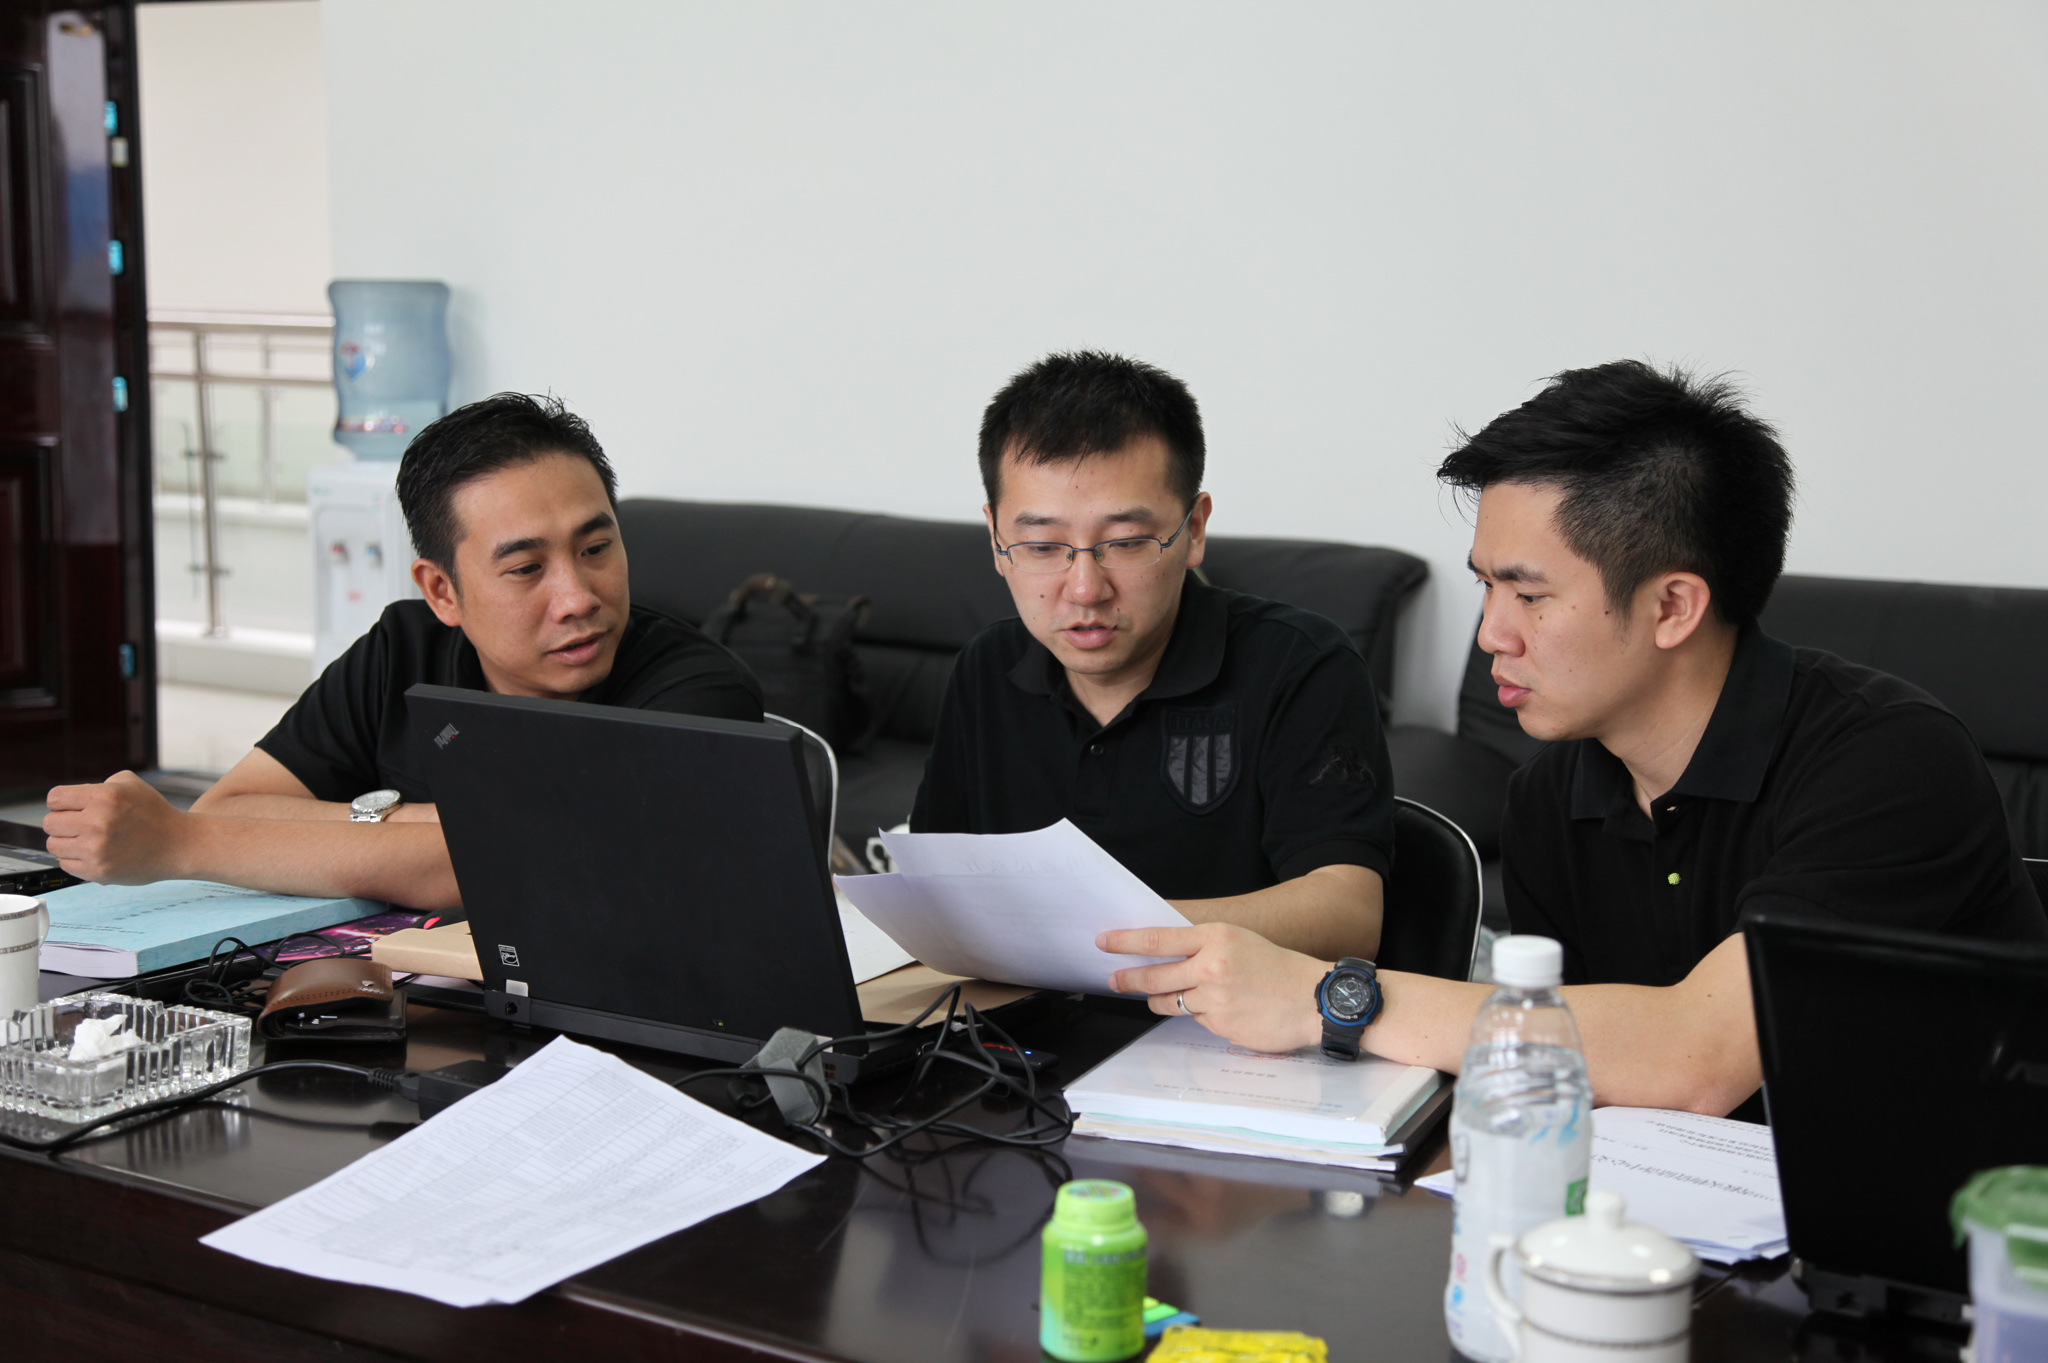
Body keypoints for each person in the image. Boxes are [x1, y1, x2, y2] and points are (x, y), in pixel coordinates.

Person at [1100, 359, 2048, 1116]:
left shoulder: (1888, 763)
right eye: (1485, 585)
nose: (1490, 634)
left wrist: (1325, 997)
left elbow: (1696, 1058)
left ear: (1673, 606)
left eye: (1529, 594)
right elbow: (1574, 1058)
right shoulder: (1553, 799)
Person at [43, 393, 762, 908]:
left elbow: (527, 862)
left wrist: (177, 845)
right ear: (442, 590)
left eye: (596, 547)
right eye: (526, 568)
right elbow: (234, 806)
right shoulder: (402, 652)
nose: (577, 596)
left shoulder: (695, 688)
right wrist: (417, 823)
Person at [912, 351, 1395, 960]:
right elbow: (931, 887)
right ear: (995, 538)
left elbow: (1348, 915)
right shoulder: (987, 667)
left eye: (1126, 542)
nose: (1084, 589)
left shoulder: (1300, 665)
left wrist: (1081, 932)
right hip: (1013, 1010)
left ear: (1194, 530)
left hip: (1216, 1015)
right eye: (1041, 545)